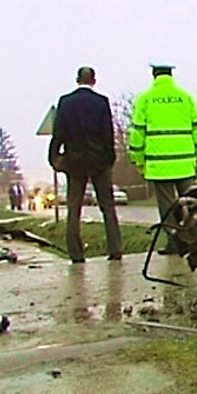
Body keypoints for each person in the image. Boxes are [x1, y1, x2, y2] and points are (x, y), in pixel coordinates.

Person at [48, 66, 123, 263]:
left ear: (76, 80)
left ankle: (76, 254)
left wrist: (54, 157)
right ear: (94, 81)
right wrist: (110, 157)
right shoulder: (101, 102)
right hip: (99, 161)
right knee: (107, 206)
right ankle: (115, 249)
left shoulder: (65, 102)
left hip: (75, 161)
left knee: (74, 208)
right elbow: (107, 133)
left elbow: (59, 133)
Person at [130, 63, 197, 255]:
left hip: (159, 163)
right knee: (190, 203)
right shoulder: (185, 98)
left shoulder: (145, 99)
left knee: (167, 206)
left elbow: (138, 133)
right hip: (185, 161)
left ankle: (174, 242)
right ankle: (195, 239)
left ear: (154, 76)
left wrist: (138, 160)